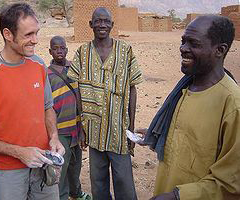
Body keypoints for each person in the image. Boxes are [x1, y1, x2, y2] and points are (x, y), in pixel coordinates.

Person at [0, 3, 65, 200]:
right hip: (9, 171)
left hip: (45, 164)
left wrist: (53, 137)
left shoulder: (38, 64)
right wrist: (19, 153)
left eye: (36, 33)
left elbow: (47, 108)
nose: (35, 40)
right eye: (28, 35)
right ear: (8, 34)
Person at [136, 15, 240, 200]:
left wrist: (177, 196)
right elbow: (189, 140)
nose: (183, 48)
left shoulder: (232, 103)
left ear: (220, 50)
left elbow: (231, 183)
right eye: (183, 41)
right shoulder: (186, 87)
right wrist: (161, 134)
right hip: (165, 187)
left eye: (193, 43)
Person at [67, 7, 142, 200]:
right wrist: (80, 126)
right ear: (91, 25)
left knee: (124, 182)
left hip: (119, 130)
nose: (102, 25)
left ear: (112, 25)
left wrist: (131, 127)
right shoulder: (83, 53)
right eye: (98, 21)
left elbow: (132, 89)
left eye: (106, 21)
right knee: (98, 182)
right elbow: (75, 91)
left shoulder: (125, 51)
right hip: (93, 131)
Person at [47, 36, 91, 200]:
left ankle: (76, 193)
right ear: (50, 51)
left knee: (75, 164)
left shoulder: (74, 68)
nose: (59, 51)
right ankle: (62, 196)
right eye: (55, 48)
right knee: (62, 165)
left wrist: (83, 127)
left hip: (76, 126)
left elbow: (80, 94)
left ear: (66, 50)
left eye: (62, 48)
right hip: (60, 130)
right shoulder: (47, 74)